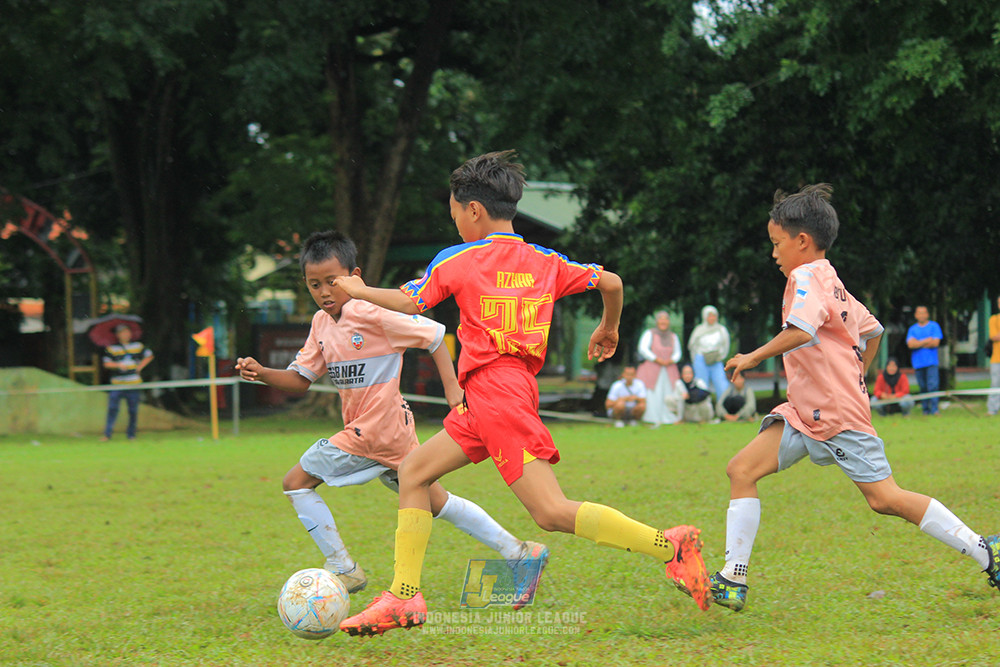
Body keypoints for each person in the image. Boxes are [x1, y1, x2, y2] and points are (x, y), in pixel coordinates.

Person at [335, 150, 711, 636]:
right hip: (500, 392)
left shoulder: (460, 258)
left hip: (496, 394)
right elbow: (612, 282)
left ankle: (670, 546)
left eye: (455, 215)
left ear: (473, 210)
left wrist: (355, 289)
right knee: (413, 471)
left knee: (550, 512)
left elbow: (410, 301)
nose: (456, 226)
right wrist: (608, 328)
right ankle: (404, 598)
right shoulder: (545, 260)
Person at [680, 184, 998, 613]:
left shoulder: (806, 276)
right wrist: (857, 373)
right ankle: (733, 578)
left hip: (836, 414)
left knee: (886, 498)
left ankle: (986, 551)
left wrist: (753, 356)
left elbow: (803, 330)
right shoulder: (831, 279)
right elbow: (874, 330)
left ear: (802, 241)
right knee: (741, 470)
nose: (774, 254)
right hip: (801, 412)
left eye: (777, 244)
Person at [234, 230, 545, 597]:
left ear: (356, 276)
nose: (325, 292)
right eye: (314, 284)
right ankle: (520, 552)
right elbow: (300, 379)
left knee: (295, 482)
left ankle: (343, 568)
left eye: (333, 281)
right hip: (392, 432)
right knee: (436, 502)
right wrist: (262, 373)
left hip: (372, 433)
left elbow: (433, 335)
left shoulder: (372, 313)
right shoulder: (321, 324)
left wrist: (451, 387)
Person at [101, 324, 153, 441]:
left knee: (133, 410)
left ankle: (131, 434)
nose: (125, 334)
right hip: (117, 384)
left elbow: (149, 356)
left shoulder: (138, 346)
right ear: (117, 335)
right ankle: (107, 434)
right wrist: (118, 365)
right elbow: (106, 363)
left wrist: (140, 367)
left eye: (127, 332)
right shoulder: (112, 348)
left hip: (133, 383)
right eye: (122, 332)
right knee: (112, 409)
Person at [636, 311, 682, 425]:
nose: (663, 322)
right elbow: (643, 348)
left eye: (665, 319)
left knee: (668, 392)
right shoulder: (649, 333)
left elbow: (678, 352)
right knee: (652, 392)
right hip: (652, 367)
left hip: (668, 368)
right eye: (661, 319)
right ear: (657, 321)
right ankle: (651, 417)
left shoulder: (673, 336)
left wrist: (671, 360)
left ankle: (668, 417)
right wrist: (655, 359)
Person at [688, 305, 731, 399]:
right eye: (709, 316)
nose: (711, 318)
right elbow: (692, 346)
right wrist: (695, 360)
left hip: (716, 359)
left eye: (713, 316)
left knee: (721, 384)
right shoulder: (699, 330)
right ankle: (703, 408)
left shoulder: (721, 329)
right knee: (701, 384)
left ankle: (723, 407)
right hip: (701, 359)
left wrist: (721, 356)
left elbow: (726, 345)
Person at [906, 305, 943, 415]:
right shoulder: (912, 329)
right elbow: (910, 344)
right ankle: (925, 410)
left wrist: (918, 343)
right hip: (918, 363)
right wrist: (927, 340)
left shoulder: (934, 326)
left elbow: (935, 343)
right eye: (919, 313)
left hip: (931, 362)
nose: (922, 315)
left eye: (924, 312)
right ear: (916, 315)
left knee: (933, 386)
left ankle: (935, 409)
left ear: (927, 314)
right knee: (923, 387)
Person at [988, 296, 1000, 417]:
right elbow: (993, 337)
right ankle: (992, 409)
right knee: (995, 384)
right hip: (997, 358)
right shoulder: (994, 319)